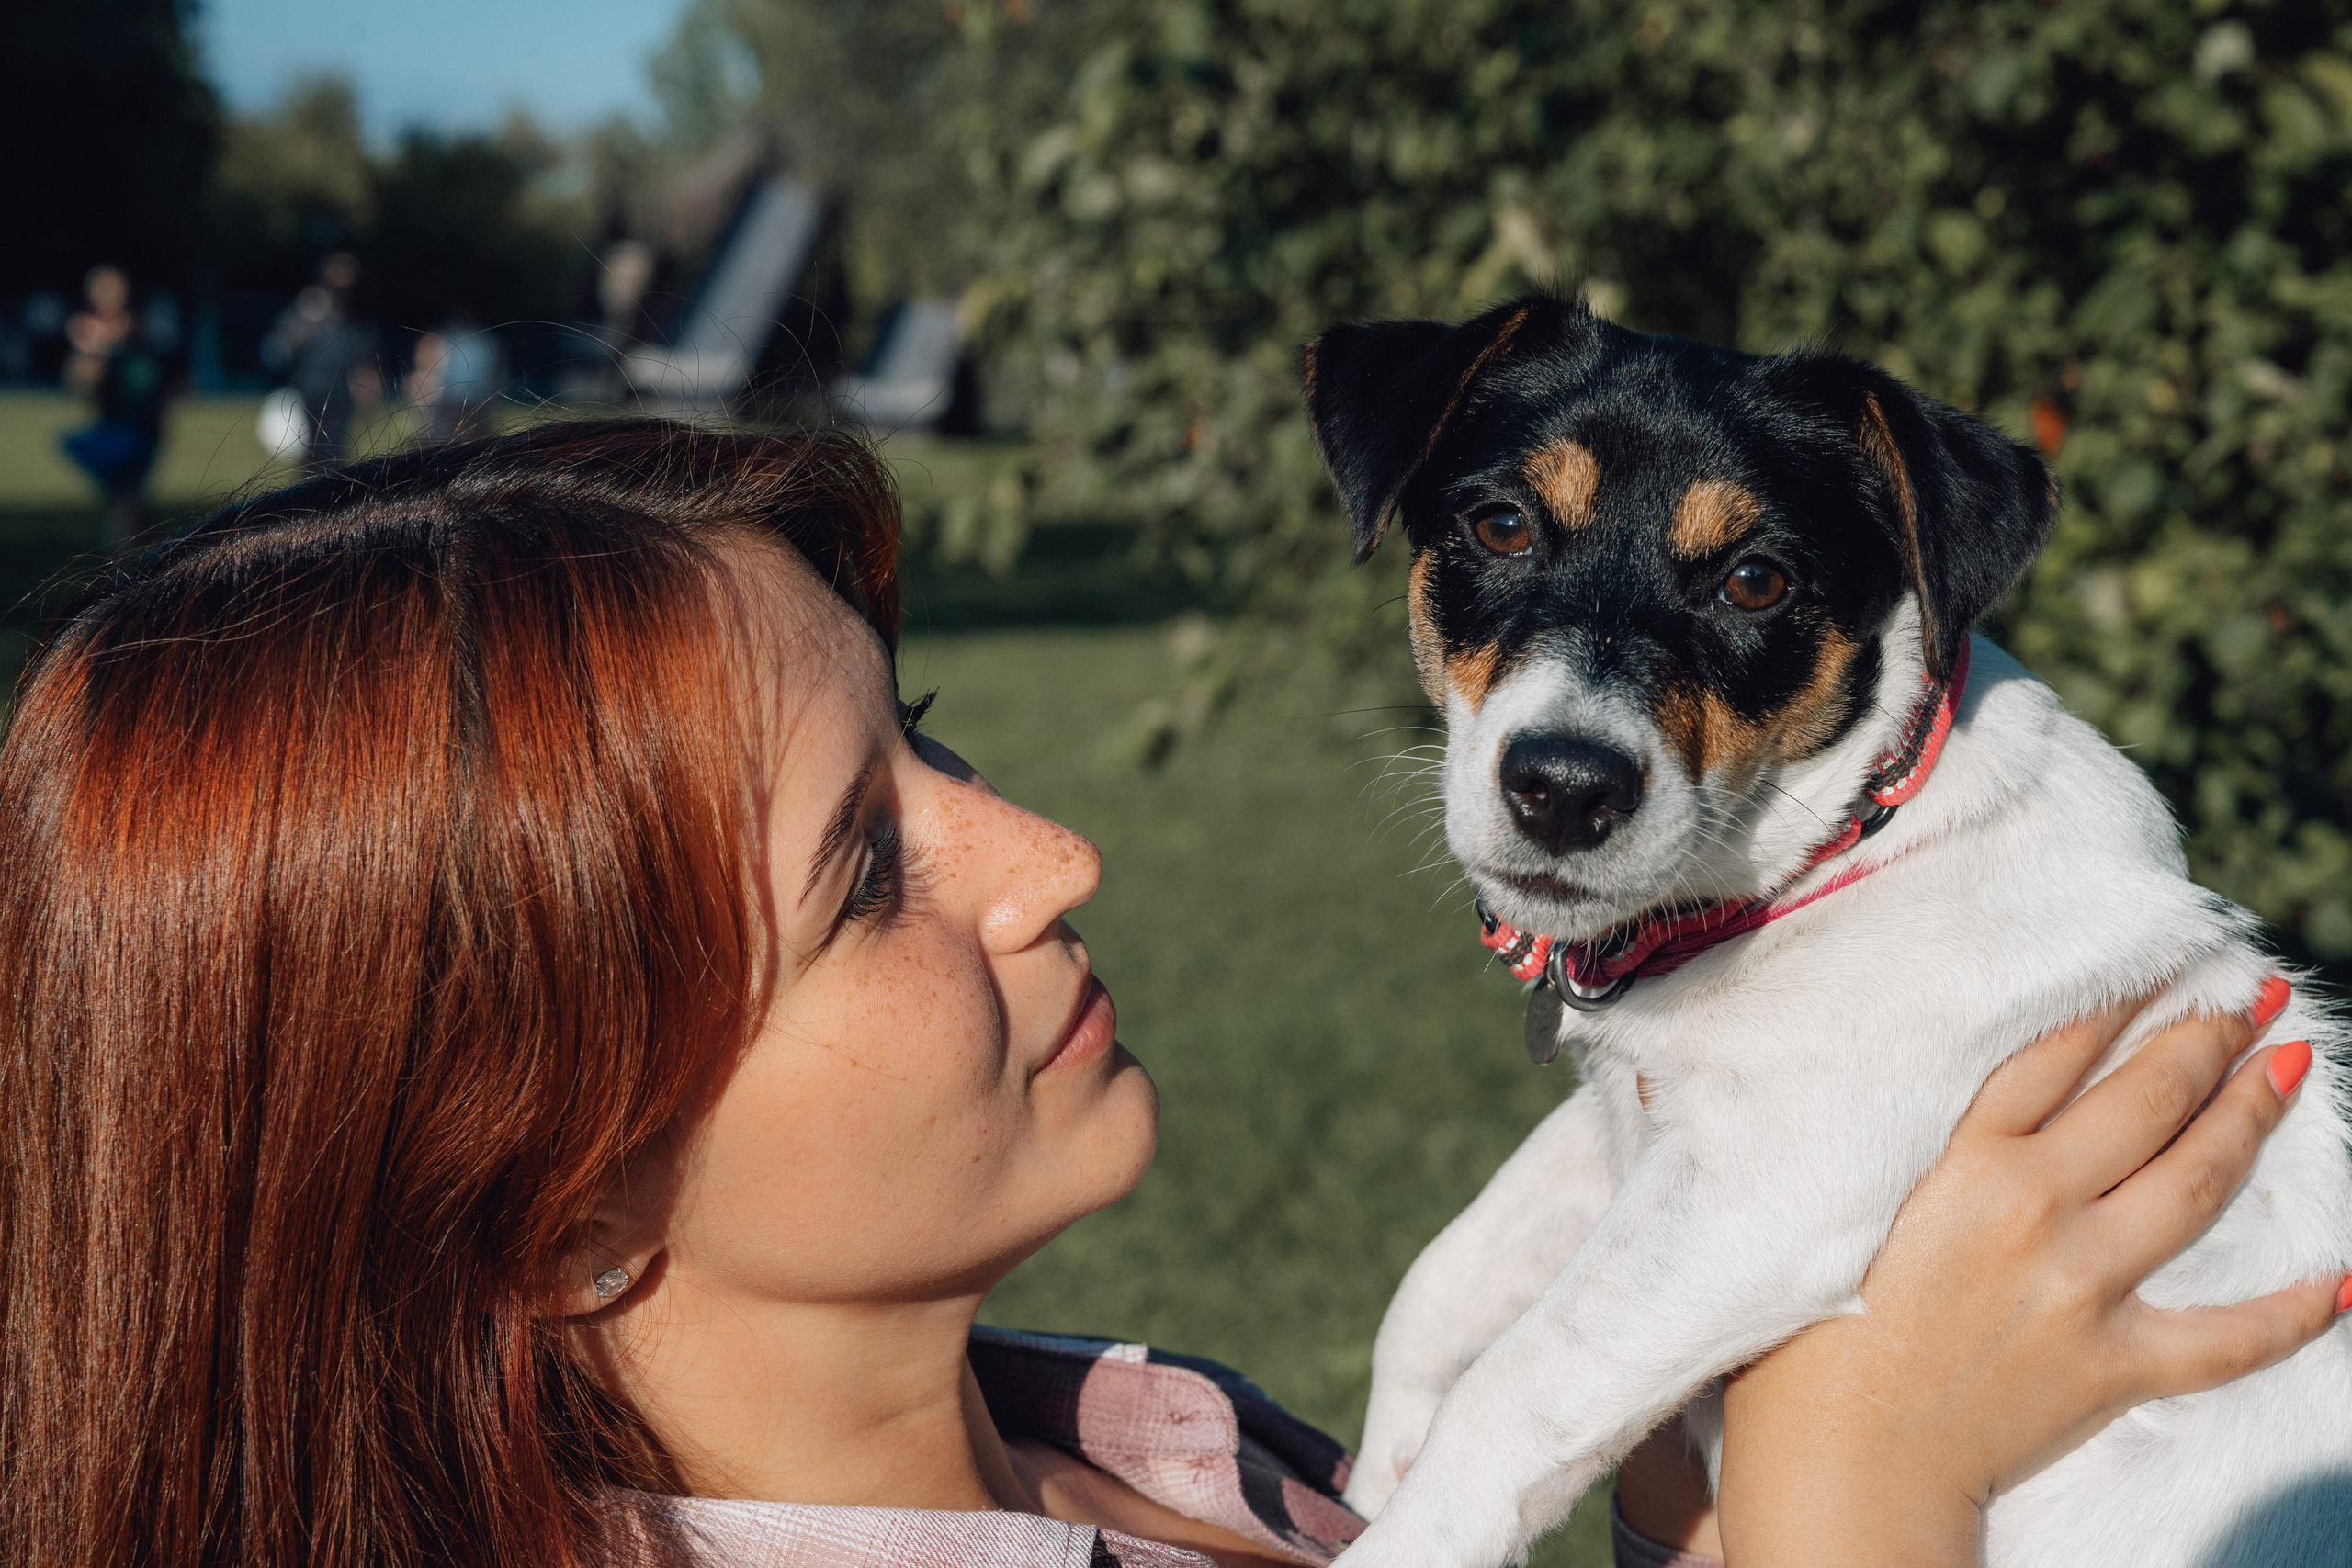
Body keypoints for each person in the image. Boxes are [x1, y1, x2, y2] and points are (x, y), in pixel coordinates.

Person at [0, 420, 2338, 1568]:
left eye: (930, 740)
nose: (1056, 853)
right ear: (547, 1202)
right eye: (859, 872)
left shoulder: (1145, 1437)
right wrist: (1856, 1500)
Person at [59, 263, 173, 552]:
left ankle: (124, 566)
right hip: (117, 426)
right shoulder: (96, 339)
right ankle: (142, 555)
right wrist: (91, 351)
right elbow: (81, 385)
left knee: (127, 502)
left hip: (139, 428)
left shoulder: (141, 331)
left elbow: (162, 382)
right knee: (127, 501)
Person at [261, 252, 379, 468]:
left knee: (332, 452)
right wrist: (302, 325)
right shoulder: (306, 312)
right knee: (308, 453)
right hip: (306, 393)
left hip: (340, 395)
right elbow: (276, 351)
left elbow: (365, 358)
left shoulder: (358, 320)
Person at [409, 310, 506, 445]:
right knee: (444, 436)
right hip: (450, 398)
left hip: (474, 399)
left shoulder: (484, 340)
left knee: (473, 436)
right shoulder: (447, 338)